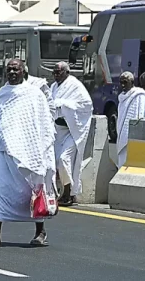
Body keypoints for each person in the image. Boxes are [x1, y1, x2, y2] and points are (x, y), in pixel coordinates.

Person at [0, 59, 57, 248]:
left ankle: (40, 232)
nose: (12, 72)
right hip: (3, 151)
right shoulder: (1, 94)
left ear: (23, 71)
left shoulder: (34, 94)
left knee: (32, 192)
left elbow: (43, 125)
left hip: (28, 152)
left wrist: (42, 153)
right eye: (9, 69)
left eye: (16, 69)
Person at [49, 62, 93, 206]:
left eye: (59, 72)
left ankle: (68, 193)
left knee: (64, 159)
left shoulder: (75, 86)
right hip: (59, 130)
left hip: (74, 130)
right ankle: (63, 191)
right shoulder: (54, 87)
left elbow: (86, 105)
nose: (56, 75)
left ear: (67, 72)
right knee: (55, 160)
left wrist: (64, 104)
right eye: (54, 72)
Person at [116, 72, 145, 168]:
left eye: (125, 82)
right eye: (121, 82)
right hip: (121, 133)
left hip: (131, 133)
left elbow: (139, 114)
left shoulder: (138, 94)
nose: (123, 85)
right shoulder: (121, 97)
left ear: (132, 82)